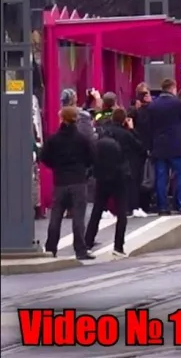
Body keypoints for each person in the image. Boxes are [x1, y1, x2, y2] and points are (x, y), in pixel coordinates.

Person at [85, 108, 146, 256]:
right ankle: (118, 246)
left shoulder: (103, 131)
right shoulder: (125, 134)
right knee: (121, 212)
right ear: (125, 119)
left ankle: (88, 242)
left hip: (102, 175)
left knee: (97, 210)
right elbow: (141, 149)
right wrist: (132, 130)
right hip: (120, 176)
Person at [40, 106, 96, 260]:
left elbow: (44, 157)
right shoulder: (82, 139)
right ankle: (80, 250)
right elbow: (92, 157)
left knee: (56, 216)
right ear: (76, 119)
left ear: (61, 119)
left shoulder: (53, 139)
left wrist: (56, 166)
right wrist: (83, 168)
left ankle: (51, 248)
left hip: (60, 182)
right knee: (78, 217)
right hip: (78, 181)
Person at [148, 78, 181, 215]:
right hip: (176, 145)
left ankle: (162, 206)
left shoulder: (153, 105)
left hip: (159, 146)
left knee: (161, 177)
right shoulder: (177, 103)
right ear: (172, 88)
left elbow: (150, 126)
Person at [127, 84, 153, 217]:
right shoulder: (136, 111)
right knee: (140, 177)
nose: (147, 96)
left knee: (143, 177)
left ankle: (141, 204)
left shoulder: (141, 110)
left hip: (142, 146)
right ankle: (137, 204)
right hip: (140, 147)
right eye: (145, 94)